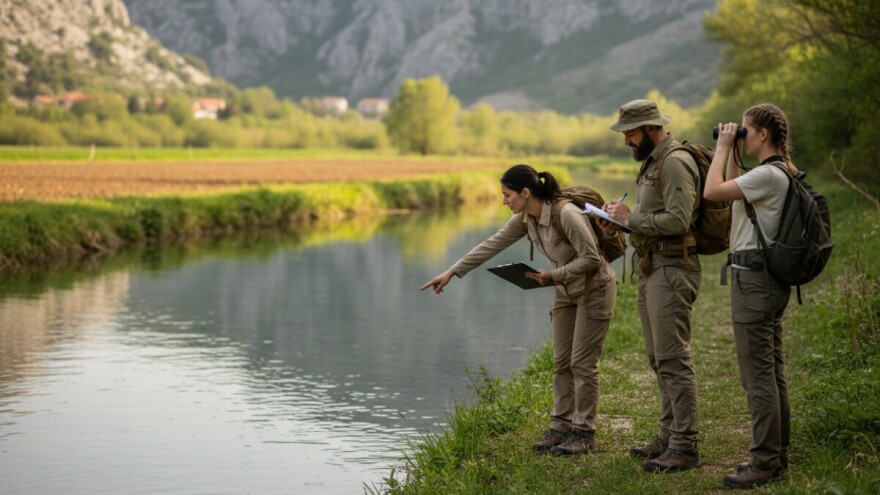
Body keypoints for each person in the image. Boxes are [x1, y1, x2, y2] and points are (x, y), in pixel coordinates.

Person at [420, 164, 617, 456]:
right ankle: (560, 427)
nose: (503, 201)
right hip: (565, 292)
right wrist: (451, 272)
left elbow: (592, 260)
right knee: (561, 361)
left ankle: (583, 433)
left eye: (507, 195)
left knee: (582, 364)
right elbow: (491, 245)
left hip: (595, 290)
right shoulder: (527, 218)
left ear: (526, 192)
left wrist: (552, 276)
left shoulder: (567, 215)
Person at [600, 99, 702, 473]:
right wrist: (622, 222)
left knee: (674, 359)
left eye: (630, 132)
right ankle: (667, 436)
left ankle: (685, 446)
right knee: (658, 359)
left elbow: (678, 219)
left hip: (673, 269)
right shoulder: (652, 163)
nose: (626, 140)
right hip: (652, 267)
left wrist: (633, 217)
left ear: (651, 129)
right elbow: (649, 218)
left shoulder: (674, 161)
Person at [704, 103, 795, 488]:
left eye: (744, 130)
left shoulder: (768, 175)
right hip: (767, 278)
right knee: (771, 373)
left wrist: (723, 147)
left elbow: (713, 192)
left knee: (757, 377)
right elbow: (737, 194)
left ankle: (764, 462)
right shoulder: (778, 172)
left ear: (762, 134)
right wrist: (735, 152)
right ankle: (776, 456)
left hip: (754, 281)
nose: (739, 133)